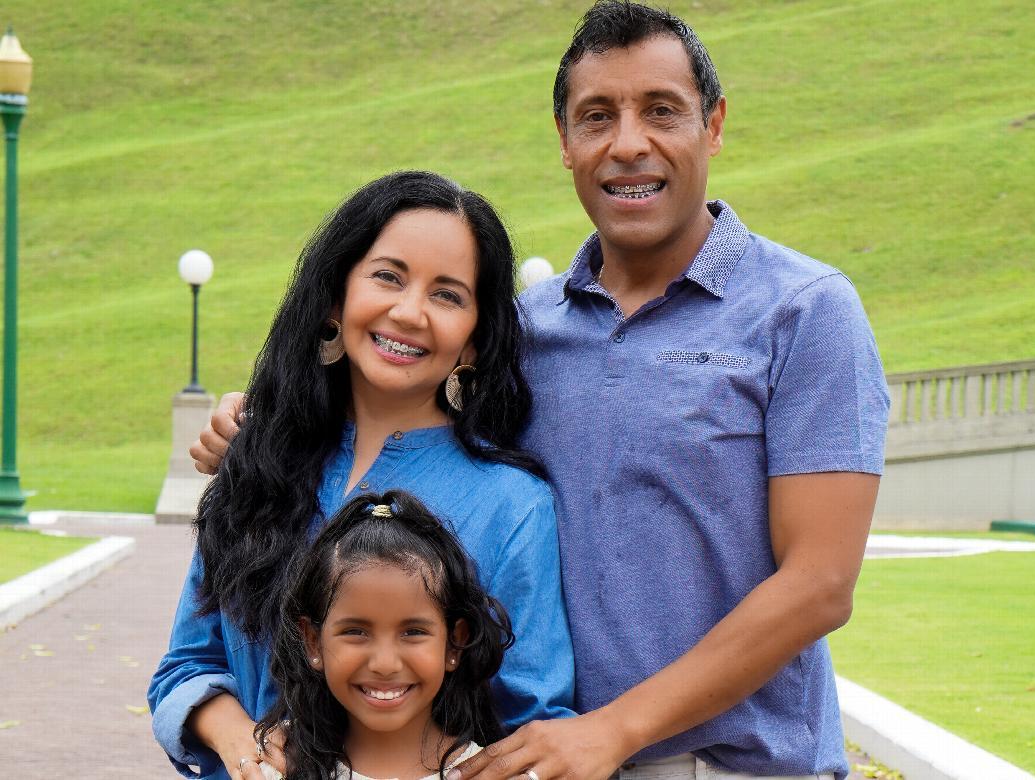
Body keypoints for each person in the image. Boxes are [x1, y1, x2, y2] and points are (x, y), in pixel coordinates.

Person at [196, 3, 890, 779]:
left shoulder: (805, 312)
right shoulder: (524, 332)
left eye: (662, 110)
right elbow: (403, 428)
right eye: (597, 116)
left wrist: (613, 731)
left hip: (734, 767)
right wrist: (255, 429)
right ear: (565, 141)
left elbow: (820, 584)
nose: (628, 143)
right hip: (539, 758)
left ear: (715, 124)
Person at [151, 171, 574, 780]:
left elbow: (533, 724)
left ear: (474, 341)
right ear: (335, 298)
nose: (409, 312)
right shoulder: (258, 463)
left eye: (447, 295)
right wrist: (246, 743)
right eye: (388, 277)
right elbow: (186, 667)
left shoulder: (512, 505)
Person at [248, 490, 513, 780]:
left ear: (454, 644)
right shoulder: (277, 770)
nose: (385, 664)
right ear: (314, 642)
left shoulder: (491, 775)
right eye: (355, 632)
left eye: (413, 632)